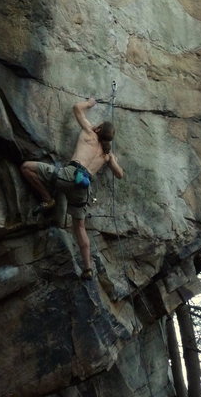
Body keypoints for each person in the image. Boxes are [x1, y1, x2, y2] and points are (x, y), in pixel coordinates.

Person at [20, 98, 124, 280]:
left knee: (26, 167)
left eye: (98, 126)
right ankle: (88, 268)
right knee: (80, 226)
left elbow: (76, 108)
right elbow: (119, 174)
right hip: (83, 188)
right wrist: (111, 158)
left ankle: (48, 199)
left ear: (98, 129)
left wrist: (90, 103)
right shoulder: (107, 155)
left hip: (69, 175)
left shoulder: (89, 134)